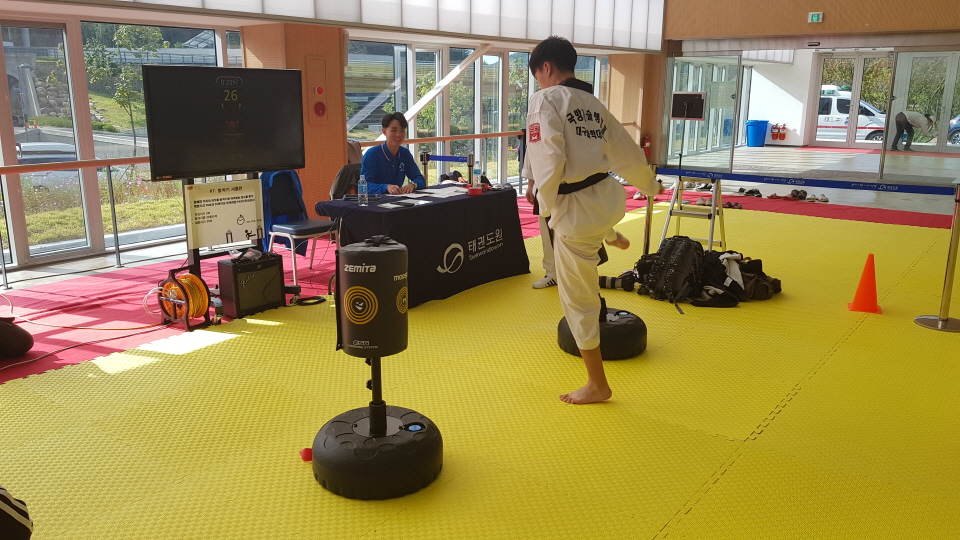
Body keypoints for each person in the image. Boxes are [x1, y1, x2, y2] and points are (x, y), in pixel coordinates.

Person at [522, 36, 662, 405]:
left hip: (576, 211)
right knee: (589, 228)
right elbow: (626, 151)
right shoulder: (592, 103)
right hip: (608, 198)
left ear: (546, 68)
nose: (538, 82)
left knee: (577, 300)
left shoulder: (545, 99)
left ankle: (597, 384)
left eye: (537, 75)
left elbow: (548, 156)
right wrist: (650, 186)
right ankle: (609, 234)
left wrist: (545, 205)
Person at [361, 113, 427, 195]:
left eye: (402, 130)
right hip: (376, 201)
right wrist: (386, 187)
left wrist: (413, 185)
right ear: (384, 131)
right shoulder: (372, 155)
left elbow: (420, 179)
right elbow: (364, 187)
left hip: (398, 200)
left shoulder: (405, 153)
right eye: (393, 130)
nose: (398, 135)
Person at [525, 178, 557, 289]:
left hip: (579, 191)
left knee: (576, 237)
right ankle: (552, 273)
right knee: (548, 235)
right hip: (546, 189)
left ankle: (578, 273)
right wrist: (530, 185)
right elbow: (535, 166)